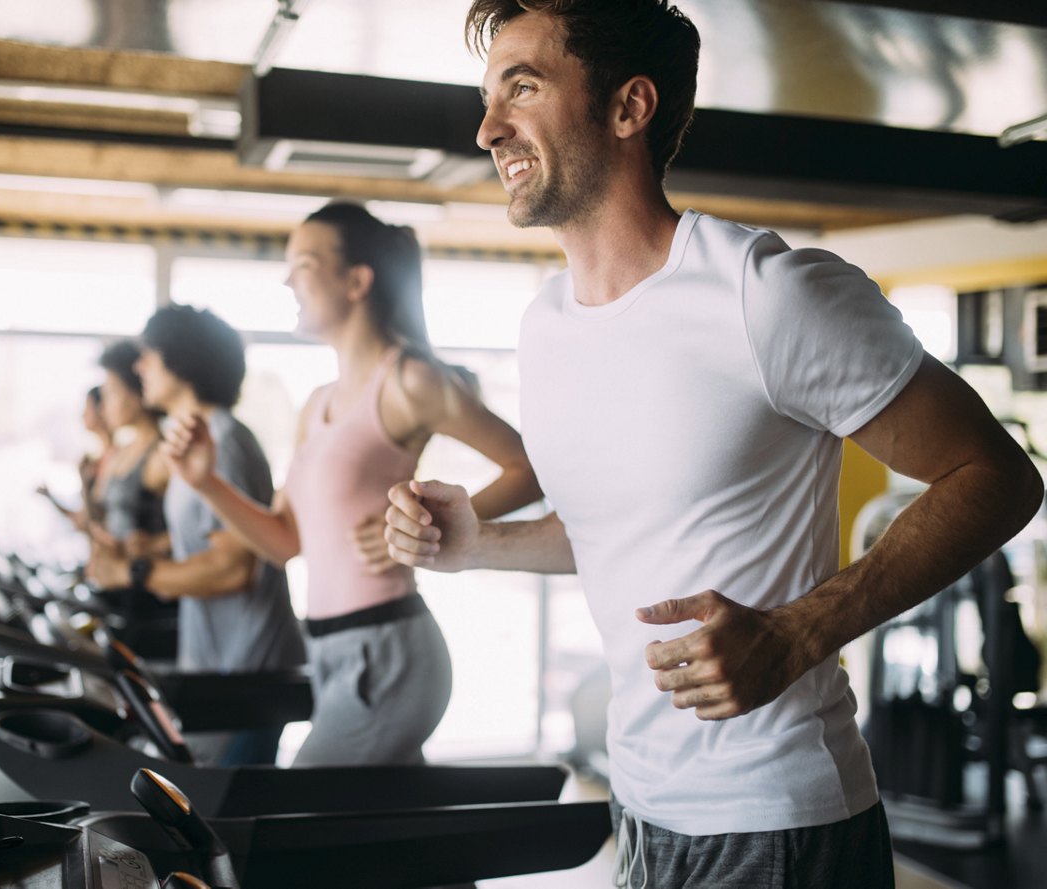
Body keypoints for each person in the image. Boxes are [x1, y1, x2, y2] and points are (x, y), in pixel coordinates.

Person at [381, 2, 1044, 886]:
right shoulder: (545, 329)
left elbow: (996, 475)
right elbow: (619, 533)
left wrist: (800, 631)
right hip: (643, 808)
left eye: (524, 87)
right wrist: (479, 543)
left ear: (629, 108)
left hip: (777, 820)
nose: (488, 126)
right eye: (489, 94)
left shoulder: (766, 294)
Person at [164, 202, 543, 766]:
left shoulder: (408, 381)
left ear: (357, 281)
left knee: (302, 810)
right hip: (331, 652)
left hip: (387, 650)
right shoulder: (316, 406)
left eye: (305, 265)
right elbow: (284, 543)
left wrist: (436, 525)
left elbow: (529, 467)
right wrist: (207, 482)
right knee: (376, 833)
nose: (287, 279)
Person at [91, 305, 306, 766]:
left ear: (181, 362)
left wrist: (133, 571)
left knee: (235, 810)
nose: (139, 366)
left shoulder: (222, 441)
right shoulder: (197, 437)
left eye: (149, 355)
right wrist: (154, 546)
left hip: (245, 668)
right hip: (220, 657)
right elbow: (217, 531)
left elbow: (233, 569)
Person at [92, 340, 170, 558]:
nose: (103, 406)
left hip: (146, 582)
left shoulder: (162, 454)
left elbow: (190, 531)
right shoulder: (121, 451)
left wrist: (156, 544)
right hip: (116, 581)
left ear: (135, 395)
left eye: (112, 393)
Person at [37, 385, 113, 532]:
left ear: (102, 409)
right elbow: (83, 521)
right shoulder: (92, 461)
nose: (82, 415)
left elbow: (88, 522)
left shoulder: (117, 460)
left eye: (87, 408)